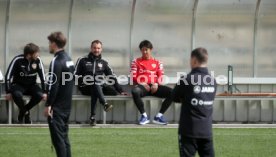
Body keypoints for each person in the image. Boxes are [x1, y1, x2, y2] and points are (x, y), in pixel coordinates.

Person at [172, 47, 217, 157]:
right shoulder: (213, 81)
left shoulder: (186, 79)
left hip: (188, 130)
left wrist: (186, 99)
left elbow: (174, 96)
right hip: (206, 130)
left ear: (194, 60)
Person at [74, 40, 127, 126]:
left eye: (98, 48)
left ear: (101, 49)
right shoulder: (82, 60)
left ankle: (93, 117)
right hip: (85, 87)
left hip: (98, 86)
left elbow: (111, 76)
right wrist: (85, 79)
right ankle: (104, 104)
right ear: (91, 48)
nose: (96, 50)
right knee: (95, 83)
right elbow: (74, 75)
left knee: (98, 86)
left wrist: (120, 90)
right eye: (94, 48)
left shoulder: (104, 62)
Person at [44, 32, 75, 157]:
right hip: (66, 106)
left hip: (57, 107)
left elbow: (53, 85)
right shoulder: (68, 59)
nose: (49, 46)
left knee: (58, 141)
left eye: (49, 43)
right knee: (64, 139)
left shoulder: (56, 61)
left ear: (54, 44)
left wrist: (49, 104)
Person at [130, 40, 173, 125]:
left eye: (146, 49)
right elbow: (133, 76)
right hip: (143, 87)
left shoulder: (158, 62)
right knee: (135, 91)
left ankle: (159, 116)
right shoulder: (135, 61)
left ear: (151, 49)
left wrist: (156, 83)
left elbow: (161, 76)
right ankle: (144, 116)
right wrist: (142, 82)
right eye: (142, 50)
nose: (145, 52)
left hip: (155, 87)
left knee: (173, 93)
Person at [5, 43, 47, 124]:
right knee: (17, 95)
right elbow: (8, 76)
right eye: (36, 53)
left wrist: (45, 92)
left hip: (32, 85)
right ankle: (26, 113)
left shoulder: (38, 60)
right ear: (29, 54)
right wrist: (8, 92)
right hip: (18, 85)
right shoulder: (17, 60)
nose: (38, 54)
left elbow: (43, 77)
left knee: (39, 95)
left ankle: (23, 111)